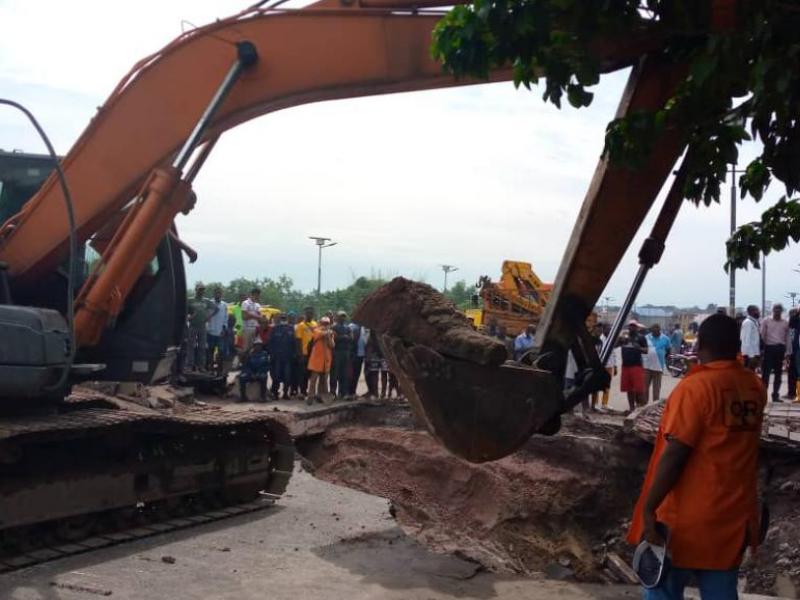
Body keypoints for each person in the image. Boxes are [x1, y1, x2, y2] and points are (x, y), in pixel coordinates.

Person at [626, 314, 766, 599]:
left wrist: (649, 508)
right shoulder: (754, 387)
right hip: (731, 520)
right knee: (721, 591)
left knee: (663, 590)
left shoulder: (696, 389)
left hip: (686, 521)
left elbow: (676, 452)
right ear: (737, 344)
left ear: (700, 344)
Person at [760, 303, 791, 402]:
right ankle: (763, 395)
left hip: (780, 349)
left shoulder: (785, 322)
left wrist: (787, 352)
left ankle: (775, 395)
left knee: (778, 373)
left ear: (781, 311)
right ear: (773, 310)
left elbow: (788, 338)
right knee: (766, 374)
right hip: (769, 348)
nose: (777, 311)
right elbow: (762, 335)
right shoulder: (766, 321)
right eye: (775, 309)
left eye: (779, 309)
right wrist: (762, 349)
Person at [186, 282, 216, 371]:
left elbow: (215, 308)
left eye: (203, 290)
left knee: (202, 347)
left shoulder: (206, 301)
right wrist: (189, 317)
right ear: (196, 290)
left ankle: (201, 366)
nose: (201, 291)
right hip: (192, 326)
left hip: (202, 326)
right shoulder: (190, 300)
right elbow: (185, 310)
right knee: (190, 346)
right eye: (200, 289)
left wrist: (209, 316)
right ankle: (189, 365)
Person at [621, 320, 648, 412]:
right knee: (629, 389)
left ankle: (640, 408)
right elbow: (615, 345)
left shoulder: (641, 338)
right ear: (628, 327)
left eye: (634, 326)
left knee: (639, 389)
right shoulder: (625, 337)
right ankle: (631, 408)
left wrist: (639, 348)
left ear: (637, 327)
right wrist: (620, 340)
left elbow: (646, 350)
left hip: (636, 366)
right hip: (625, 366)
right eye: (630, 326)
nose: (631, 328)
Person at [306, 316, 334, 403]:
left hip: (326, 361)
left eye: (327, 324)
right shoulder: (316, 331)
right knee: (313, 380)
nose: (325, 325)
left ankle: (321, 397)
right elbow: (319, 334)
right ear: (320, 323)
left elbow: (332, 345)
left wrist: (329, 336)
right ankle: (310, 398)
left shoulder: (330, 334)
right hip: (316, 361)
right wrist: (327, 332)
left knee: (324, 381)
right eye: (324, 323)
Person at [269, 312, 295, 399]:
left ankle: (285, 394)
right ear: (280, 320)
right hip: (277, 357)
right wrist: (272, 355)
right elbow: (271, 343)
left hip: (288, 357)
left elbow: (294, 343)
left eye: (285, 318)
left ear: (287, 319)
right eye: (282, 318)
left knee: (287, 377)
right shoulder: (275, 329)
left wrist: (294, 355)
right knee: (276, 376)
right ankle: (275, 393)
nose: (283, 320)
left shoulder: (291, 329)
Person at [645, 324, 671, 404]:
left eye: (657, 331)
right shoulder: (646, 337)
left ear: (660, 330)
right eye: (653, 331)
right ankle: (644, 405)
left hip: (658, 368)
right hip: (646, 367)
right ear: (651, 330)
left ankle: (654, 405)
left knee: (656, 389)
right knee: (645, 388)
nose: (655, 332)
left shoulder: (665, 339)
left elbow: (668, 350)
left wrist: (662, 358)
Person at [330, 311, 354, 398]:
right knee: (334, 373)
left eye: (344, 316)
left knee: (344, 374)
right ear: (337, 317)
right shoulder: (333, 327)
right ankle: (333, 392)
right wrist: (344, 337)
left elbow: (351, 338)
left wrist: (341, 337)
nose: (342, 318)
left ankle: (343, 392)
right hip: (336, 352)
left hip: (346, 352)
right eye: (341, 316)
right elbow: (333, 338)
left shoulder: (348, 328)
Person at [205, 286, 228, 372]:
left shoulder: (224, 305)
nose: (218, 294)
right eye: (216, 293)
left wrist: (224, 329)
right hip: (210, 332)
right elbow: (206, 317)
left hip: (220, 332)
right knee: (210, 351)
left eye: (219, 293)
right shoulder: (209, 303)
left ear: (222, 294)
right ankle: (210, 368)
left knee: (221, 352)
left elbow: (226, 318)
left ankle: (219, 369)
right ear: (214, 294)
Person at [599, 323, 618, 410]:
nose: (609, 330)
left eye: (610, 329)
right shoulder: (600, 339)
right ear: (603, 329)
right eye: (608, 329)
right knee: (596, 384)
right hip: (601, 366)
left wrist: (615, 366)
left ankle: (604, 403)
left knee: (607, 385)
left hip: (610, 365)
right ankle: (594, 404)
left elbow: (613, 353)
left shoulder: (611, 339)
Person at [241, 288, 262, 353]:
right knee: (245, 349)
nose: (258, 296)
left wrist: (250, 314)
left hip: (256, 328)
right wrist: (255, 315)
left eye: (258, 295)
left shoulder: (258, 305)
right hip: (247, 328)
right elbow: (244, 317)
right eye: (257, 295)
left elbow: (260, 317)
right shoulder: (245, 303)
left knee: (253, 349)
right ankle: (242, 362)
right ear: (253, 294)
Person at [740, 305, 761, 371]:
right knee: (748, 374)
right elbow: (745, 339)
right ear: (751, 312)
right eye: (757, 310)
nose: (758, 312)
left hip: (754, 353)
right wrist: (751, 356)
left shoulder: (754, 322)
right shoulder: (748, 323)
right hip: (750, 355)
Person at [787, 308, 800, 401]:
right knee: (794, 372)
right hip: (794, 350)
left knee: (795, 372)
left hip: (796, 350)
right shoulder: (793, 322)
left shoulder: (794, 322)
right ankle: (793, 393)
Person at [353, 326, 369, 395]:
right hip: (357, 355)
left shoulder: (368, 329)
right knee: (355, 374)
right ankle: (353, 391)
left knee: (368, 374)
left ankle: (370, 391)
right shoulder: (355, 328)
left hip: (366, 355)